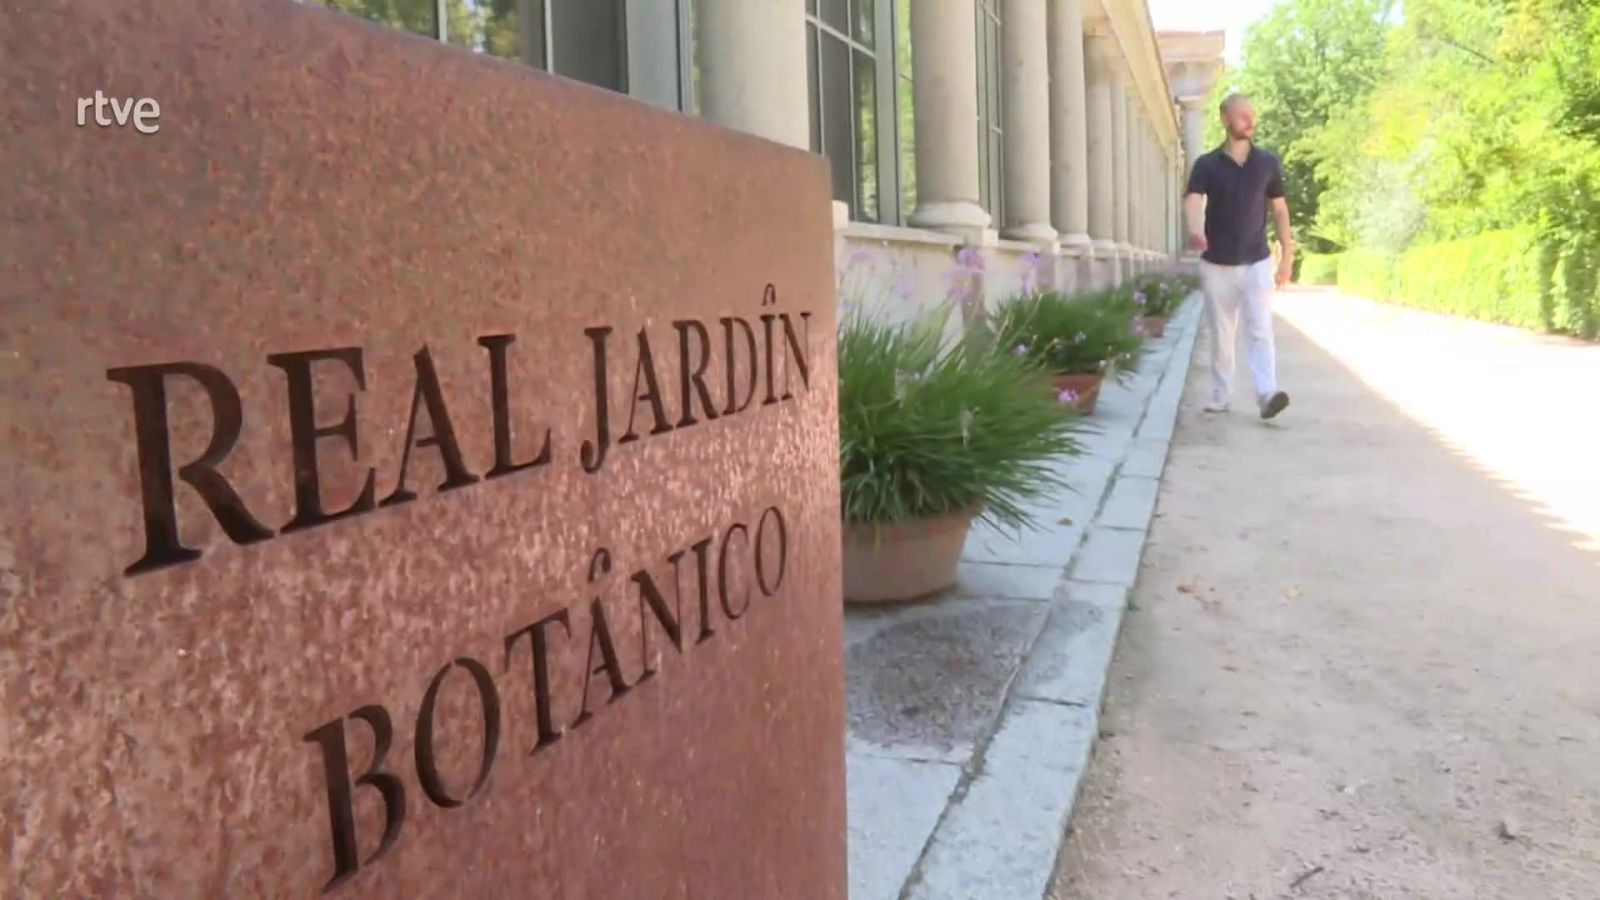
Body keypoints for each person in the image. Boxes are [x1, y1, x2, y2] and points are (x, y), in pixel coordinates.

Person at [1183, 93, 1294, 420]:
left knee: (1260, 329)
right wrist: (1194, 228)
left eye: (1252, 115)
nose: (1250, 120)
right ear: (1225, 119)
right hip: (1216, 263)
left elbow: (1280, 210)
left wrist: (1287, 256)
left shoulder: (1267, 163)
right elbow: (1193, 198)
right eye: (1242, 115)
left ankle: (1267, 394)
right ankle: (1221, 395)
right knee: (1222, 334)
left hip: (1256, 261)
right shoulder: (1206, 164)